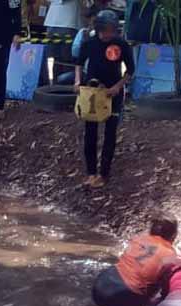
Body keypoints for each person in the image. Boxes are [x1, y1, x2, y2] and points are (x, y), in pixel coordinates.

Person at [74, 10, 134, 189]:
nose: (109, 34)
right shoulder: (89, 43)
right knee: (90, 133)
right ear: (99, 29)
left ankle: (104, 174)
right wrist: (77, 81)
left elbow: (130, 70)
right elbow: (78, 62)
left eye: (112, 30)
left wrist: (118, 86)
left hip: (112, 92)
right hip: (92, 92)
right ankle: (91, 173)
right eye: (106, 30)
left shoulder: (121, 44)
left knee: (110, 134)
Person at [92, 213, 181, 306]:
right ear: (174, 235)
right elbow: (167, 288)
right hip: (122, 295)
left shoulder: (139, 239)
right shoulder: (172, 255)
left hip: (101, 284)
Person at [44, 0, 83, 83]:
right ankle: (53, 87)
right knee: (54, 60)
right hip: (56, 22)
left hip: (67, 22)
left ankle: (61, 88)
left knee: (65, 60)